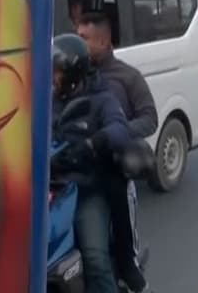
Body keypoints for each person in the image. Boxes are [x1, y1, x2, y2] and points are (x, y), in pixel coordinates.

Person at [74, 0, 158, 293]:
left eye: (84, 37)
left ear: (103, 40)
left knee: (126, 261)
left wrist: (116, 132)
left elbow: (150, 119)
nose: (79, 42)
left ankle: (131, 273)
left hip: (117, 173)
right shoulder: (74, 78)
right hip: (78, 175)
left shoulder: (127, 77)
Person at [51, 34, 136, 293]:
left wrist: (93, 143)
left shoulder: (101, 98)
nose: (52, 78)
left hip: (87, 189)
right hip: (51, 185)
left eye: (57, 73)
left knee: (95, 257)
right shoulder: (47, 99)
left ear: (73, 74)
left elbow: (120, 129)